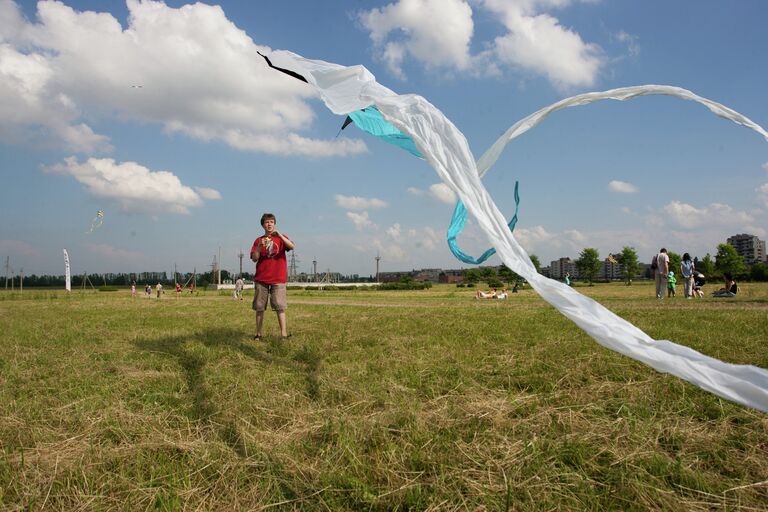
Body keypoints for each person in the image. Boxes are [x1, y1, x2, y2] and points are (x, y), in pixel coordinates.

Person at [251, 213, 294, 339]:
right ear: (263, 225)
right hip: (261, 278)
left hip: (278, 278)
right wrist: (259, 247)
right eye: (266, 222)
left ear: (275, 224)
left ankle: (283, 334)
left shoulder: (281, 238)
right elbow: (254, 258)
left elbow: (292, 246)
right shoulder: (258, 240)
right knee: (259, 307)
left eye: (271, 222)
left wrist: (279, 236)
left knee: (280, 307)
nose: (269, 224)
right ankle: (258, 334)